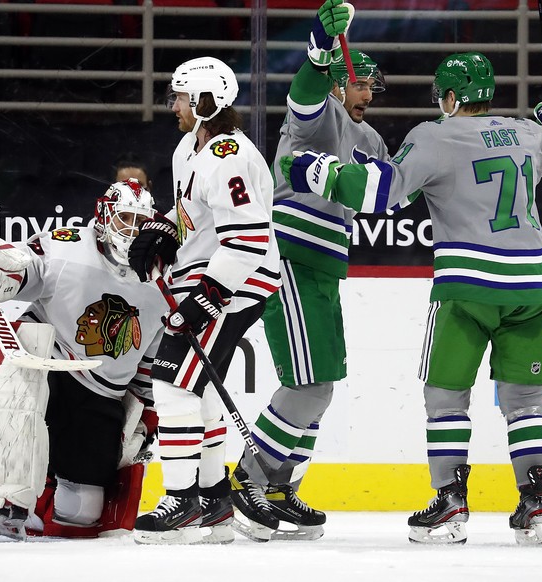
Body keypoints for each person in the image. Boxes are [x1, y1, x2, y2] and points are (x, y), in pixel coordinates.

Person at [282, 52, 542, 546]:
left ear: (450, 97)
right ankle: (534, 502)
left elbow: (379, 193)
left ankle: (450, 500)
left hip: (466, 288)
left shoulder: (433, 136)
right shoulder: (530, 134)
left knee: (445, 397)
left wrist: (319, 176)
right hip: (532, 286)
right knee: (527, 401)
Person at [227, 0, 397, 542]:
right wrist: (322, 55)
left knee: (319, 385)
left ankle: (279, 487)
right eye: (360, 85)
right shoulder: (318, 113)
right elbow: (301, 95)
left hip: (326, 265)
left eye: (372, 87)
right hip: (292, 258)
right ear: (338, 86)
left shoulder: (369, 140)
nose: (368, 96)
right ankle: (247, 483)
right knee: (308, 385)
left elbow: (383, 194)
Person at [0, 179, 171, 540]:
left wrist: (145, 411)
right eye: (124, 219)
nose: (131, 230)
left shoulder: (162, 276)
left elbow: (151, 355)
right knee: (9, 383)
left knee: (80, 513)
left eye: (139, 221)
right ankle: (2, 497)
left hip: (103, 392)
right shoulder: (68, 245)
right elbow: (24, 270)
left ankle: (42, 503)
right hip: (45, 366)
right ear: (103, 217)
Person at [126, 56, 281, 545]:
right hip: (212, 277)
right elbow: (194, 216)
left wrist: (208, 297)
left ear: (205, 101)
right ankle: (214, 500)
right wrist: (163, 230)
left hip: (236, 283)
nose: (174, 106)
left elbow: (249, 239)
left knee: (172, 385)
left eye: (180, 97)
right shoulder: (189, 149)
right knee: (201, 391)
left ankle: (184, 502)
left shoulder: (227, 155)